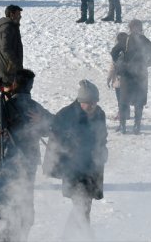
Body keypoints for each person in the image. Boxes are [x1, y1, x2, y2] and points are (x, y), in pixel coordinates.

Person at [0, 69, 52, 242]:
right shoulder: (34, 106)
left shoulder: (6, 106)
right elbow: (53, 126)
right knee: (24, 199)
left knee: (4, 200)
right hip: (28, 160)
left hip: (8, 159)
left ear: (14, 84)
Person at [44, 80, 107, 241]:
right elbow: (55, 142)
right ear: (80, 101)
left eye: (95, 102)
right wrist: (55, 165)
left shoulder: (99, 114)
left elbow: (102, 137)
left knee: (84, 207)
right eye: (89, 103)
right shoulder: (65, 115)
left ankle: (65, 238)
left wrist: (103, 151)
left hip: (93, 168)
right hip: (73, 169)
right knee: (81, 207)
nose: (93, 106)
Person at [117, 20, 151, 134]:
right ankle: (136, 126)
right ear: (140, 28)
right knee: (139, 101)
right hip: (141, 75)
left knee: (124, 101)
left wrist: (120, 63)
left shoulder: (125, 40)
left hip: (126, 75)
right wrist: (144, 65)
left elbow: (114, 52)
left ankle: (123, 126)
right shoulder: (146, 41)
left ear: (130, 28)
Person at [0, 5, 24, 82]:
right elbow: (5, 49)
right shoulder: (7, 27)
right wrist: (16, 63)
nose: (20, 17)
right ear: (12, 14)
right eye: (18, 14)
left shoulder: (12, 26)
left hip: (7, 70)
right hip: (4, 71)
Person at [107, 32, 129, 122]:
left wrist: (108, 78)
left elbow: (112, 67)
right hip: (129, 80)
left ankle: (121, 114)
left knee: (120, 99)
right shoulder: (131, 50)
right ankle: (126, 113)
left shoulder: (116, 52)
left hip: (118, 80)